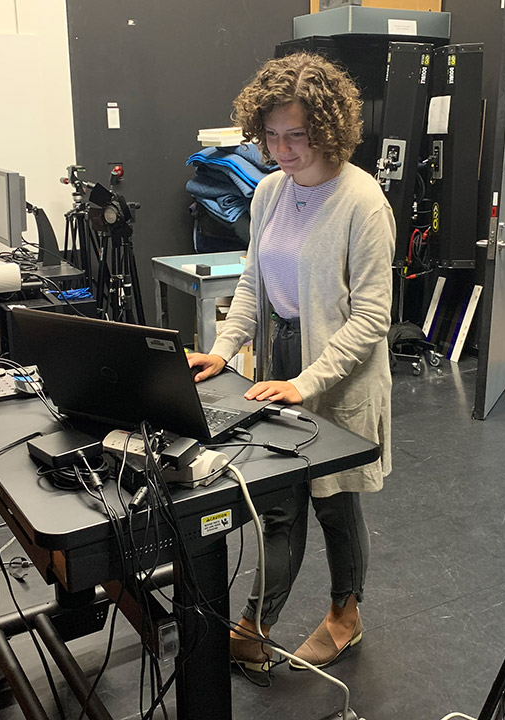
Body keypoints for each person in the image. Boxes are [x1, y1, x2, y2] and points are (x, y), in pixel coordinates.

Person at [186, 52, 394, 672]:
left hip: (339, 369)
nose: (281, 149)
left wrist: (307, 383)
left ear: (327, 128)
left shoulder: (362, 201)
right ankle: (255, 627)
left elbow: (372, 318)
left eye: (295, 135)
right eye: (271, 135)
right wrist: (222, 353)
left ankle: (344, 615)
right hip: (280, 356)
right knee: (278, 500)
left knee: (334, 500)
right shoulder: (271, 191)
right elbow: (252, 283)